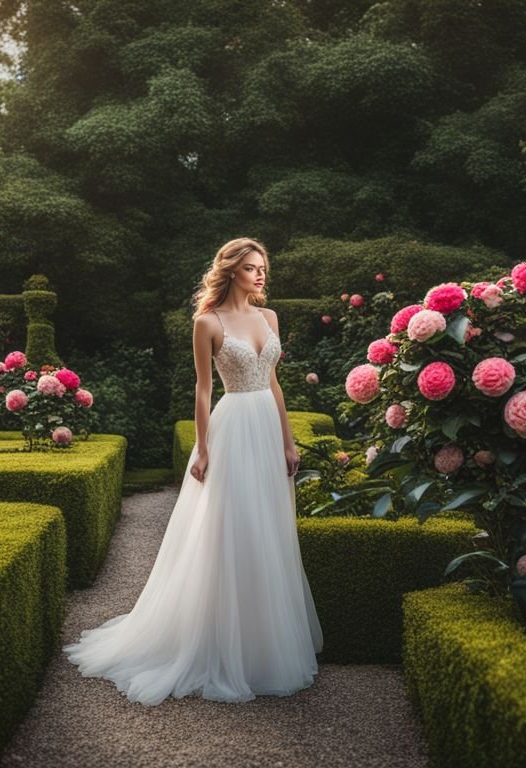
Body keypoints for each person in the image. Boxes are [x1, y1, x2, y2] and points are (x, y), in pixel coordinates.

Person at [63, 237, 324, 705]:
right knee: (231, 529)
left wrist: (287, 440)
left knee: (268, 530)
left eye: (262, 267)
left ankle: (263, 644)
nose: (260, 275)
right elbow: (204, 392)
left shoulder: (270, 318)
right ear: (230, 272)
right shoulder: (208, 322)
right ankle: (219, 645)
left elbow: (274, 383)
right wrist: (202, 450)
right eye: (250, 268)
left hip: (266, 428)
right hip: (234, 427)